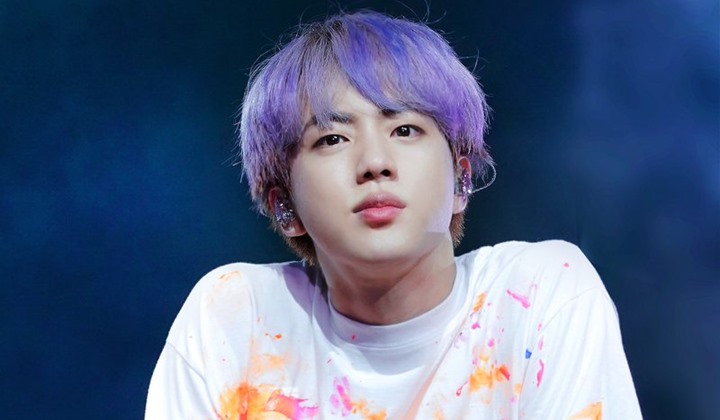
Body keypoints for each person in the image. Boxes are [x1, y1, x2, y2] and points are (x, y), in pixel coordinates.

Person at [146, 10, 642, 419]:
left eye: (405, 130)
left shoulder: (539, 295)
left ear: (461, 180)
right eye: (332, 139)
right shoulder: (238, 319)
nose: (375, 162)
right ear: (285, 207)